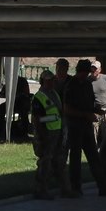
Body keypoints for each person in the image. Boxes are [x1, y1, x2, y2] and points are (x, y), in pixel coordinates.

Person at [63, 59, 106, 196]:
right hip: (75, 126)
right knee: (75, 158)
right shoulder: (71, 85)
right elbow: (67, 109)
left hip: (86, 125)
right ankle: (76, 188)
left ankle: (103, 187)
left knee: (94, 156)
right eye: (84, 72)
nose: (86, 75)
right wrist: (86, 114)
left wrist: (96, 110)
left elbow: (89, 103)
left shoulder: (87, 84)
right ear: (79, 71)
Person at [30, 70, 66, 199]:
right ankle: (41, 190)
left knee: (58, 160)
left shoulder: (54, 94)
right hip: (46, 133)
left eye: (52, 80)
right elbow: (37, 119)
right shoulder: (39, 97)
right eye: (48, 80)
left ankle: (63, 189)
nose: (51, 83)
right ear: (42, 81)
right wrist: (42, 136)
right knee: (45, 162)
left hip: (57, 131)